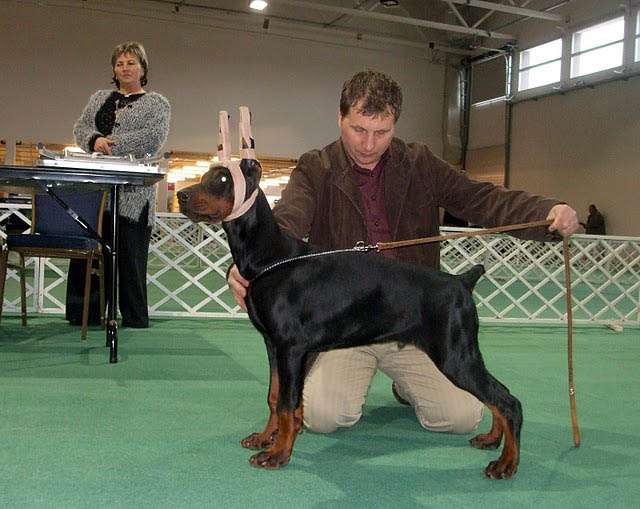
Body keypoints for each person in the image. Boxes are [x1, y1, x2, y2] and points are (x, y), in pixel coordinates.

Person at [227, 70, 579, 435]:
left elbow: (482, 199)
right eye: (358, 129)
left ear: (396, 123)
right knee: (324, 416)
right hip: (342, 325)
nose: (368, 144)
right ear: (340, 116)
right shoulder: (316, 167)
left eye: (382, 132)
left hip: (416, 317)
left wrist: (547, 212)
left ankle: (406, 383)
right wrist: (253, 264)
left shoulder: (420, 163)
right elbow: (288, 219)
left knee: (459, 418)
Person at [66, 41, 170, 328]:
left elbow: (153, 138)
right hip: (96, 192)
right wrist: (94, 140)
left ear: (143, 69)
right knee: (90, 256)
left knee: (130, 258)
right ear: (114, 70)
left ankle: (134, 317)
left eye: (131, 63)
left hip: (134, 196)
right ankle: (84, 314)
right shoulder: (99, 97)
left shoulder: (157, 104)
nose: (125, 68)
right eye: (120, 64)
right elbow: (81, 128)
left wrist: (110, 144)